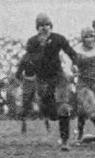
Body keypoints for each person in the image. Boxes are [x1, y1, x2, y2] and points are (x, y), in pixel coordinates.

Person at [17, 13, 77, 150]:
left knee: (63, 107)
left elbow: (71, 53)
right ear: (37, 28)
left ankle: (65, 140)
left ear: (51, 26)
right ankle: (51, 118)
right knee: (50, 111)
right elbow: (27, 59)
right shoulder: (32, 41)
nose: (44, 28)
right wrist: (19, 73)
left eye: (47, 25)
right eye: (41, 26)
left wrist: (75, 64)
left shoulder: (58, 38)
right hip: (42, 80)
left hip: (58, 77)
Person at [14, 53, 50, 135]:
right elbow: (17, 74)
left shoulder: (28, 58)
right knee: (35, 105)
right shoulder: (30, 58)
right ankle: (46, 127)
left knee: (37, 105)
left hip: (32, 82)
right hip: (30, 82)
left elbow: (18, 74)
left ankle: (24, 128)